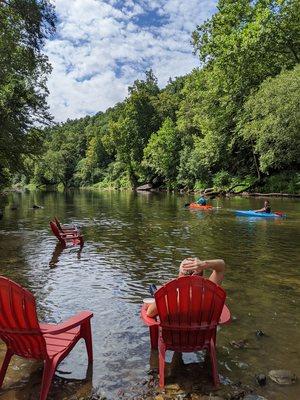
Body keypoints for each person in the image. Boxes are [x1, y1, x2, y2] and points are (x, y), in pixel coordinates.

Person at [146, 258, 225, 317]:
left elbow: (149, 313)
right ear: (200, 275)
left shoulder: (170, 296)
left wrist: (154, 303)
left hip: (174, 338)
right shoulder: (210, 292)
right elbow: (221, 266)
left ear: (181, 275)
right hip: (203, 338)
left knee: (153, 290)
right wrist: (204, 264)